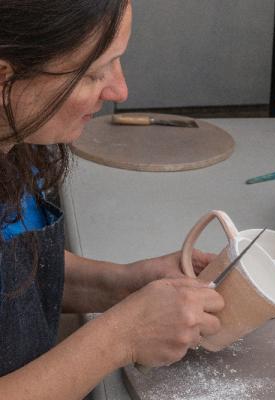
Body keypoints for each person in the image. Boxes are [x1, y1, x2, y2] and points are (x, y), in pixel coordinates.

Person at [0, 1, 224, 399]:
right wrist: (121, 337)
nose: (120, 90)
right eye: (93, 73)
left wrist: (121, 285)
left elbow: (14, 270)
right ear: (3, 78)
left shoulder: (14, 142)